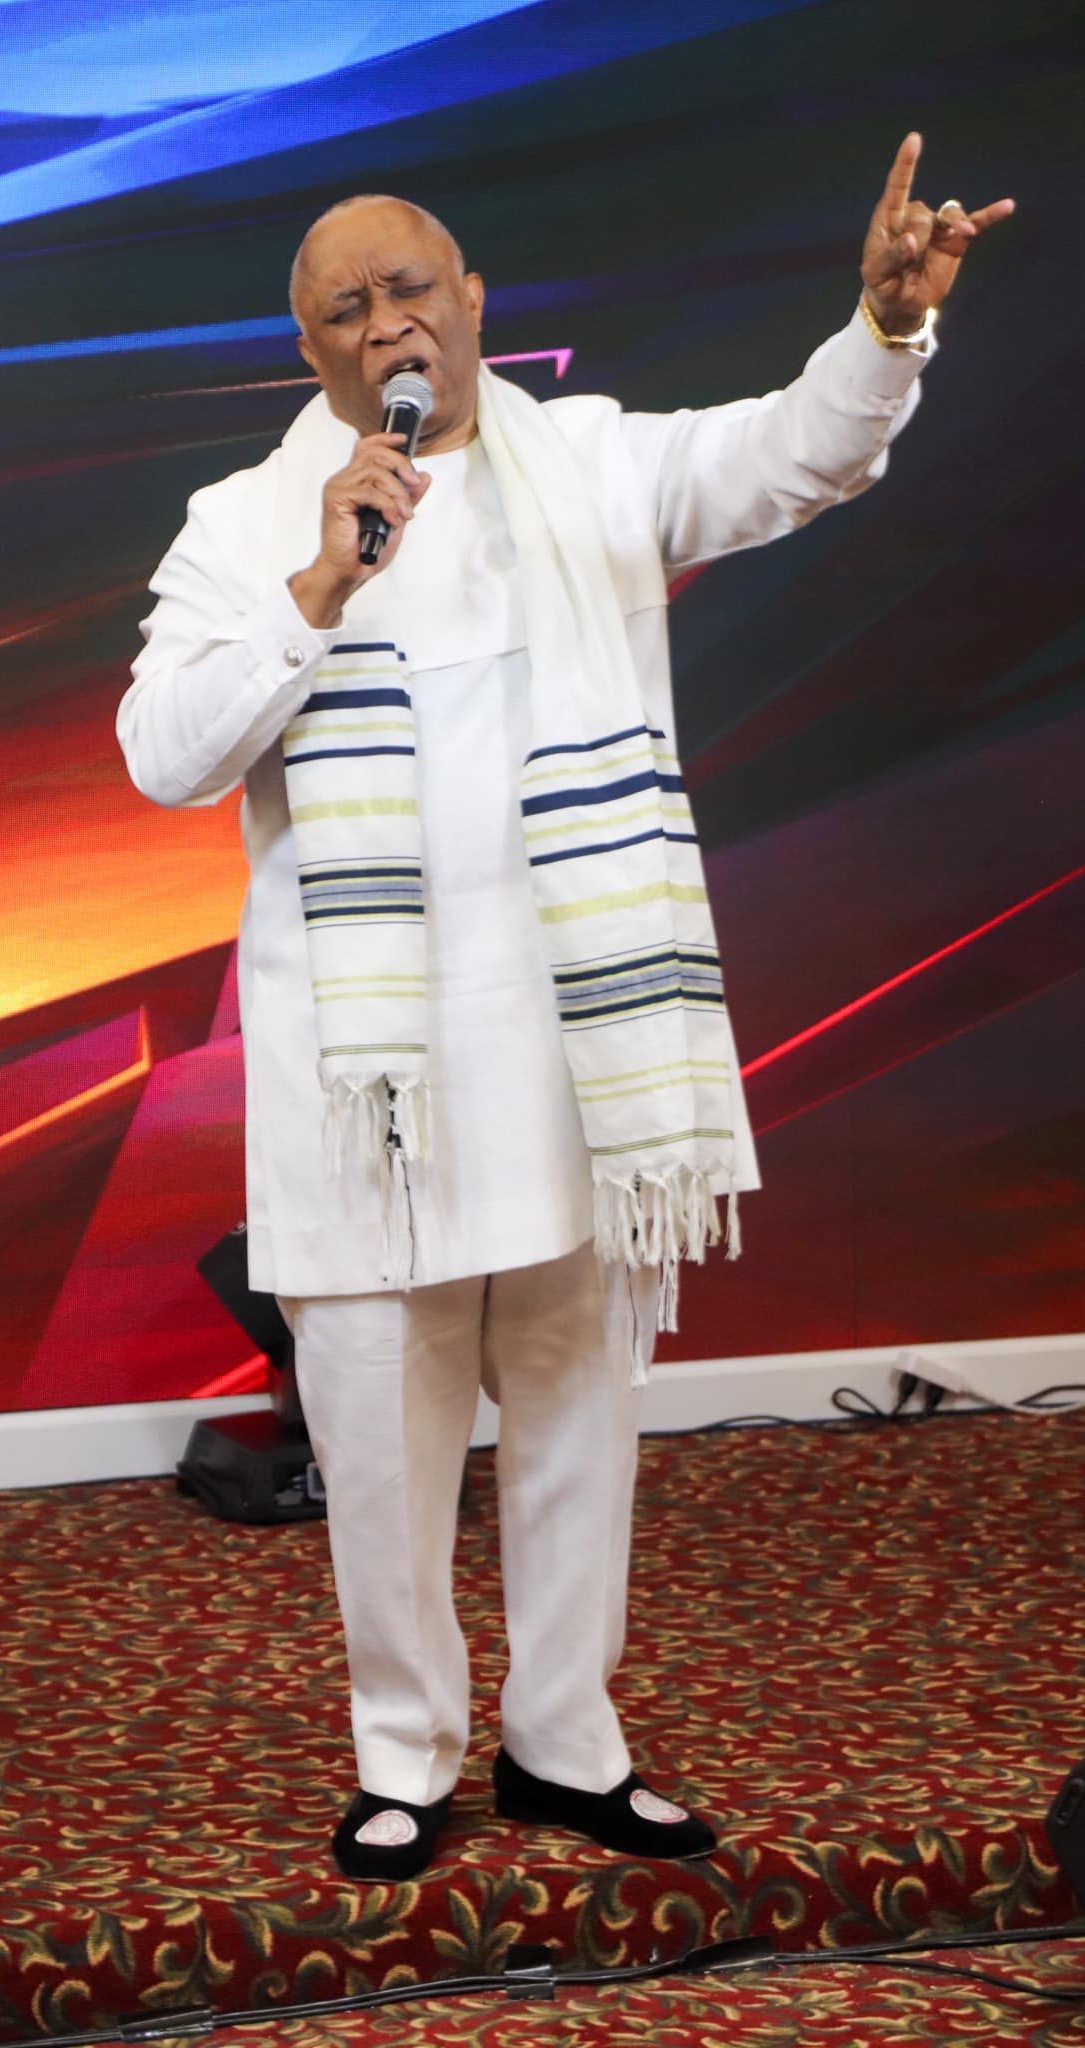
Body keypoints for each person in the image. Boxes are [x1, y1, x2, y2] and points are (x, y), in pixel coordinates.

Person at [117, 135, 1013, 1882]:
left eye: (408, 289)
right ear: (308, 352)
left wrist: (885, 335)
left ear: (471, 307)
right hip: (372, 1083)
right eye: (341, 309)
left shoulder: (590, 465)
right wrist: (320, 585)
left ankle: (564, 1742)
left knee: (574, 1420)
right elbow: (165, 755)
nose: (385, 323)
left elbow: (788, 459)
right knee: (376, 1444)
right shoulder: (244, 527)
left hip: (572, 1068)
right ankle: (403, 1754)